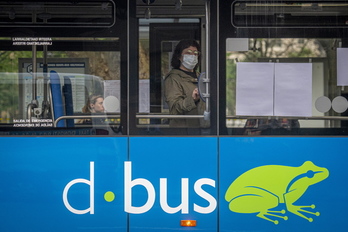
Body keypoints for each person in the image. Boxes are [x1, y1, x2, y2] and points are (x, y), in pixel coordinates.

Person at [164, 39, 206, 128]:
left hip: (202, 128)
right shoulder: (173, 78)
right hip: (184, 131)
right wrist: (193, 99)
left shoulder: (201, 77)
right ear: (179, 56)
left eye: (195, 53)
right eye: (188, 53)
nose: (193, 56)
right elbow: (174, 109)